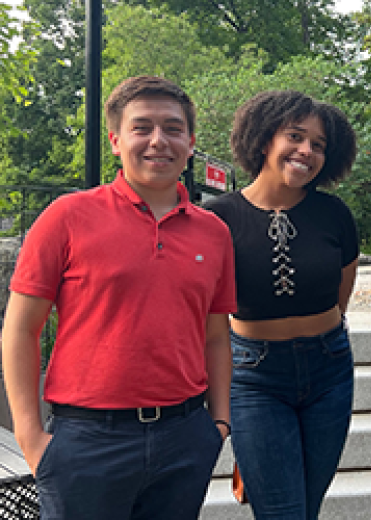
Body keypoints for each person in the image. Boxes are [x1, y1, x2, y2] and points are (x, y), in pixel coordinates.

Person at [1, 76, 236, 519]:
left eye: (171, 128)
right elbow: (20, 329)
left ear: (190, 142)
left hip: (185, 435)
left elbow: (215, 335)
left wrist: (219, 423)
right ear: (115, 141)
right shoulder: (66, 218)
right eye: (141, 127)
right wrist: (30, 435)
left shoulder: (215, 232)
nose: (157, 141)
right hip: (88, 440)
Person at [203, 90, 358, 519]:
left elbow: (341, 293)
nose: (307, 151)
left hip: (330, 369)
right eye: (295, 136)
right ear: (265, 137)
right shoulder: (217, 218)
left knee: (307, 508)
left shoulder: (335, 215)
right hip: (254, 377)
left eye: (319, 145)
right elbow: (207, 314)